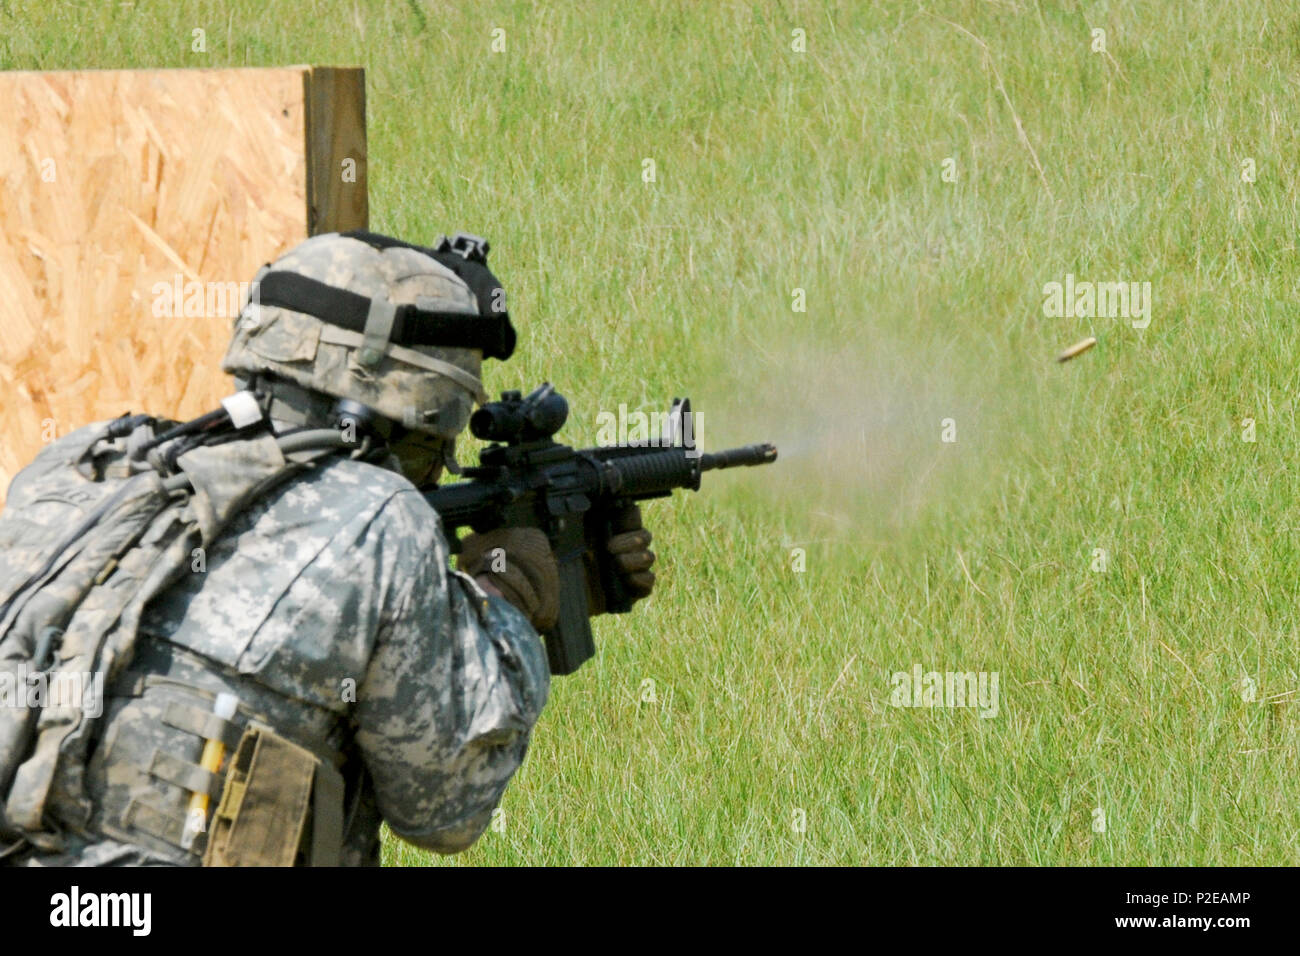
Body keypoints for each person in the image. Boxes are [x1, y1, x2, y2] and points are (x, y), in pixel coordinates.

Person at [0, 230, 654, 866]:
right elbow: (446, 809)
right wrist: (509, 598)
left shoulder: (90, 462)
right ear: (423, 413)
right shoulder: (383, 519)